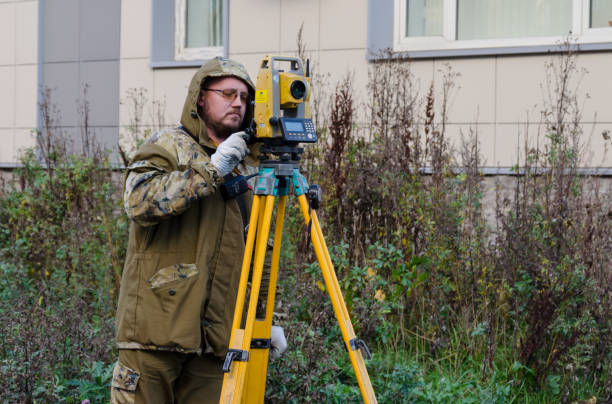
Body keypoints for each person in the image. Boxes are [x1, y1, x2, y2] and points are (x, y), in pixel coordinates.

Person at [110, 57, 286, 404]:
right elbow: (138, 202)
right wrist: (208, 171)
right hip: (154, 335)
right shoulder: (168, 146)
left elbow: (258, 254)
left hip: (216, 343)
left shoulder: (246, 166)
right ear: (200, 98)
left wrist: (263, 322)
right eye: (227, 93)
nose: (238, 102)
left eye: (245, 97)